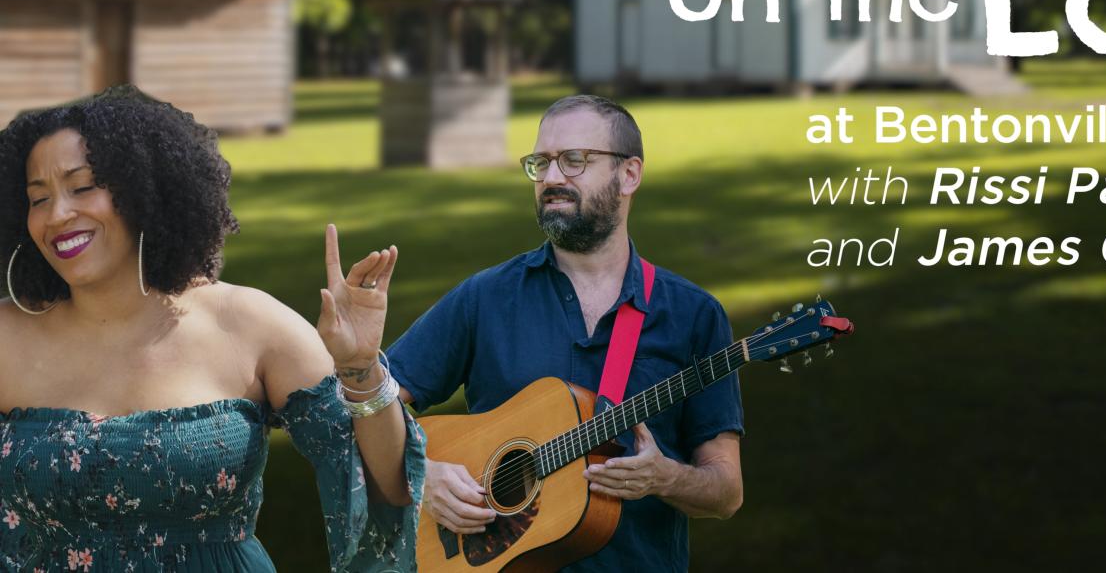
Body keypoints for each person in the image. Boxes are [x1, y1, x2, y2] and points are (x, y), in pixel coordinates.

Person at [0, 87, 425, 571]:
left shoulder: (247, 324)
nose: (57, 215)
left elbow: (387, 485)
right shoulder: (7, 336)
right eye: (38, 198)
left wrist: (360, 368)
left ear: (145, 189)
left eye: (82, 187)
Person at [388, 94, 743, 571]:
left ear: (629, 174)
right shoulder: (485, 298)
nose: (552, 178)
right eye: (541, 163)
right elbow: (371, 406)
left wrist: (664, 478)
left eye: (574, 160)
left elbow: (725, 491)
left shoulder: (693, 315)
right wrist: (422, 473)